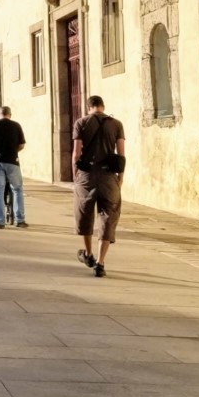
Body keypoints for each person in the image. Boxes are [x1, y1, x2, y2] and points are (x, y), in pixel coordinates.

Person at [73, 95, 125, 278]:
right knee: (108, 216)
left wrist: (75, 173)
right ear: (103, 106)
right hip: (109, 176)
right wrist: (121, 176)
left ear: (89, 107)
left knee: (85, 213)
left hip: (87, 176)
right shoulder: (116, 124)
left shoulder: (81, 123)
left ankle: (88, 254)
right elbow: (121, 153)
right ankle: (101, 263)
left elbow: (76, 153)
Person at [0, 106, 27, 229]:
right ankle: (20, 220)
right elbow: (22, 144)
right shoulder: (16, 125)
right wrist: (14, 151)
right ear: (10, 114)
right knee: (17, 190)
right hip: (12, 161)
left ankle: (0, 221)